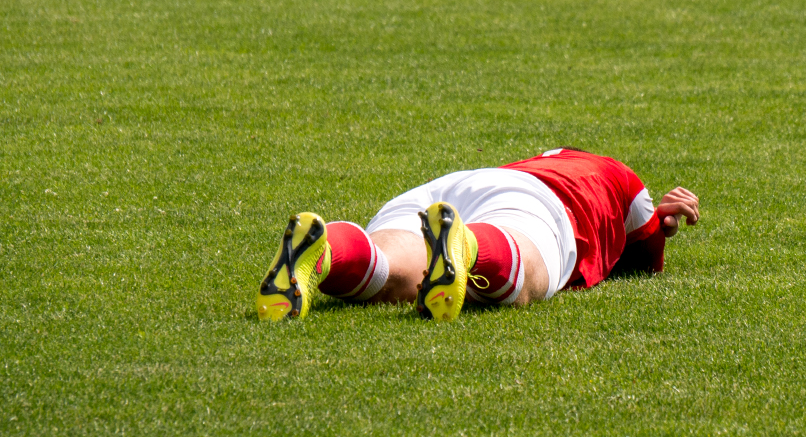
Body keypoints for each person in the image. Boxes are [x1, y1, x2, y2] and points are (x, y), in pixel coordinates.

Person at [256, 148, 700, 321]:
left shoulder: (536, 160)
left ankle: (325, 251)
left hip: (452, 185)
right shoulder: (620, 178)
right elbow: (643, 257)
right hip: (540, 200)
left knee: (395, 271)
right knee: (528, 276)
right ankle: (466, 247)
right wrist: (667, 218)